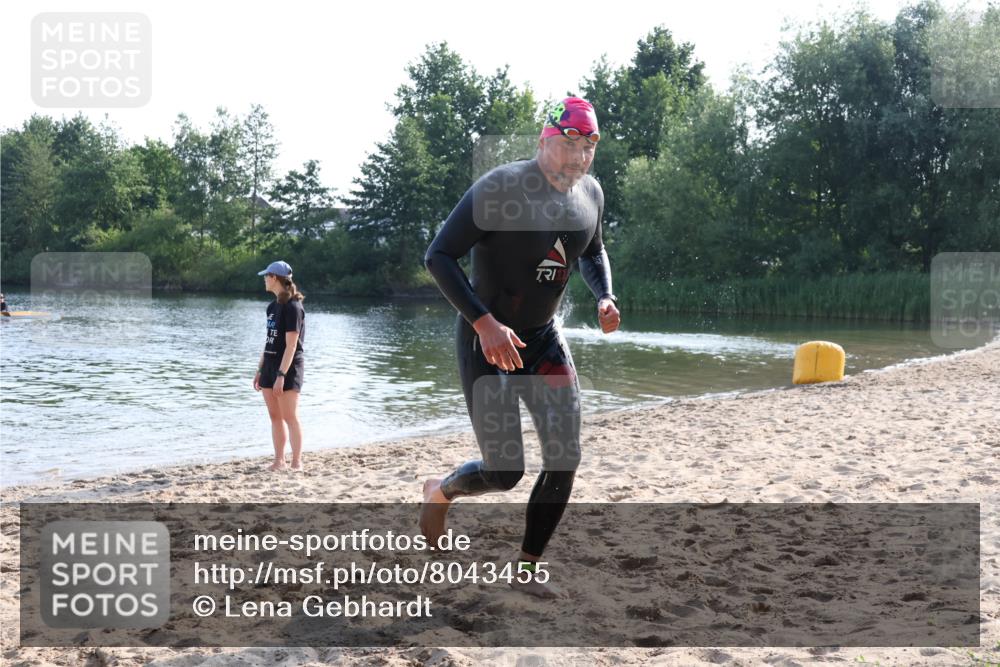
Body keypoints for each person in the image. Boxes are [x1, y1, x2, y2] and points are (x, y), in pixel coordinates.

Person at [420, 97, 621, 598]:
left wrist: (604, 295)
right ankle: (440, 492)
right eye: (569, 143)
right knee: (504, 470)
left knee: (565, 458)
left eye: (588, 146)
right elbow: (439, 256)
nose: (578, 157)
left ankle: (527, 570)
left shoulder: (590, 195)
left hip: (543, 339)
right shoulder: (500, 188)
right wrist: (484, 323)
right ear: (544, 139)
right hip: (485, 341)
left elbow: (592, 251)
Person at [252, 261, 306, 471]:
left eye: (266, 276)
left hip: (288, 367)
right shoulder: (272, 307)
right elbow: (269, 341)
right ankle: (279, 460)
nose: (264, 279)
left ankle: (296, 462)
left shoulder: (293, 307)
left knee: (289, 416)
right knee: (275, 417)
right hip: (270, 364)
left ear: (274, 277)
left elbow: (291, 345)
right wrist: (260, 370)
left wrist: (281, 375)